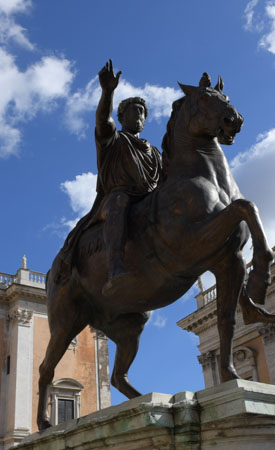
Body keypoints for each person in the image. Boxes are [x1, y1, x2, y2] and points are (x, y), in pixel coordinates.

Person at [94, 59, 162, 296]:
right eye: (135, 110)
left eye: (143, 111)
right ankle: (115, 268)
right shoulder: (112, 139)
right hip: (116, 199)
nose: (140, 114)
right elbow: (103, 120)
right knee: (119, 201)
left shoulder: (154, 152)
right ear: (122, 116)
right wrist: (107, 92)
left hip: (148, 198)